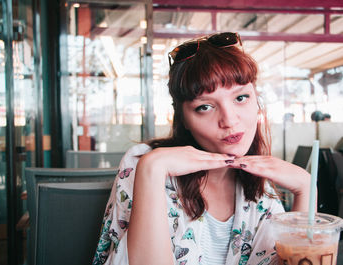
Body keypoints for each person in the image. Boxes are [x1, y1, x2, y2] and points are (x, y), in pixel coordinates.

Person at [92, 32, 311, 265]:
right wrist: (152, 169)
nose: (229, 120)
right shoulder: (145, 162)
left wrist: (306, 189)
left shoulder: (259, 185)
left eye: (241, 98)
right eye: (205, 106)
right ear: (183, 118)